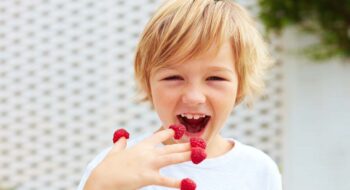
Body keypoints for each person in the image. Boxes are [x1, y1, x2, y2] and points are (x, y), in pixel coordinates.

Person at [78, 0, 282, 189]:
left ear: (241, 86)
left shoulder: (259, 170)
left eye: (215, 79)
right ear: (148, 84)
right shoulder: (118, 167)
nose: (194, 97)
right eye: (173, 77)